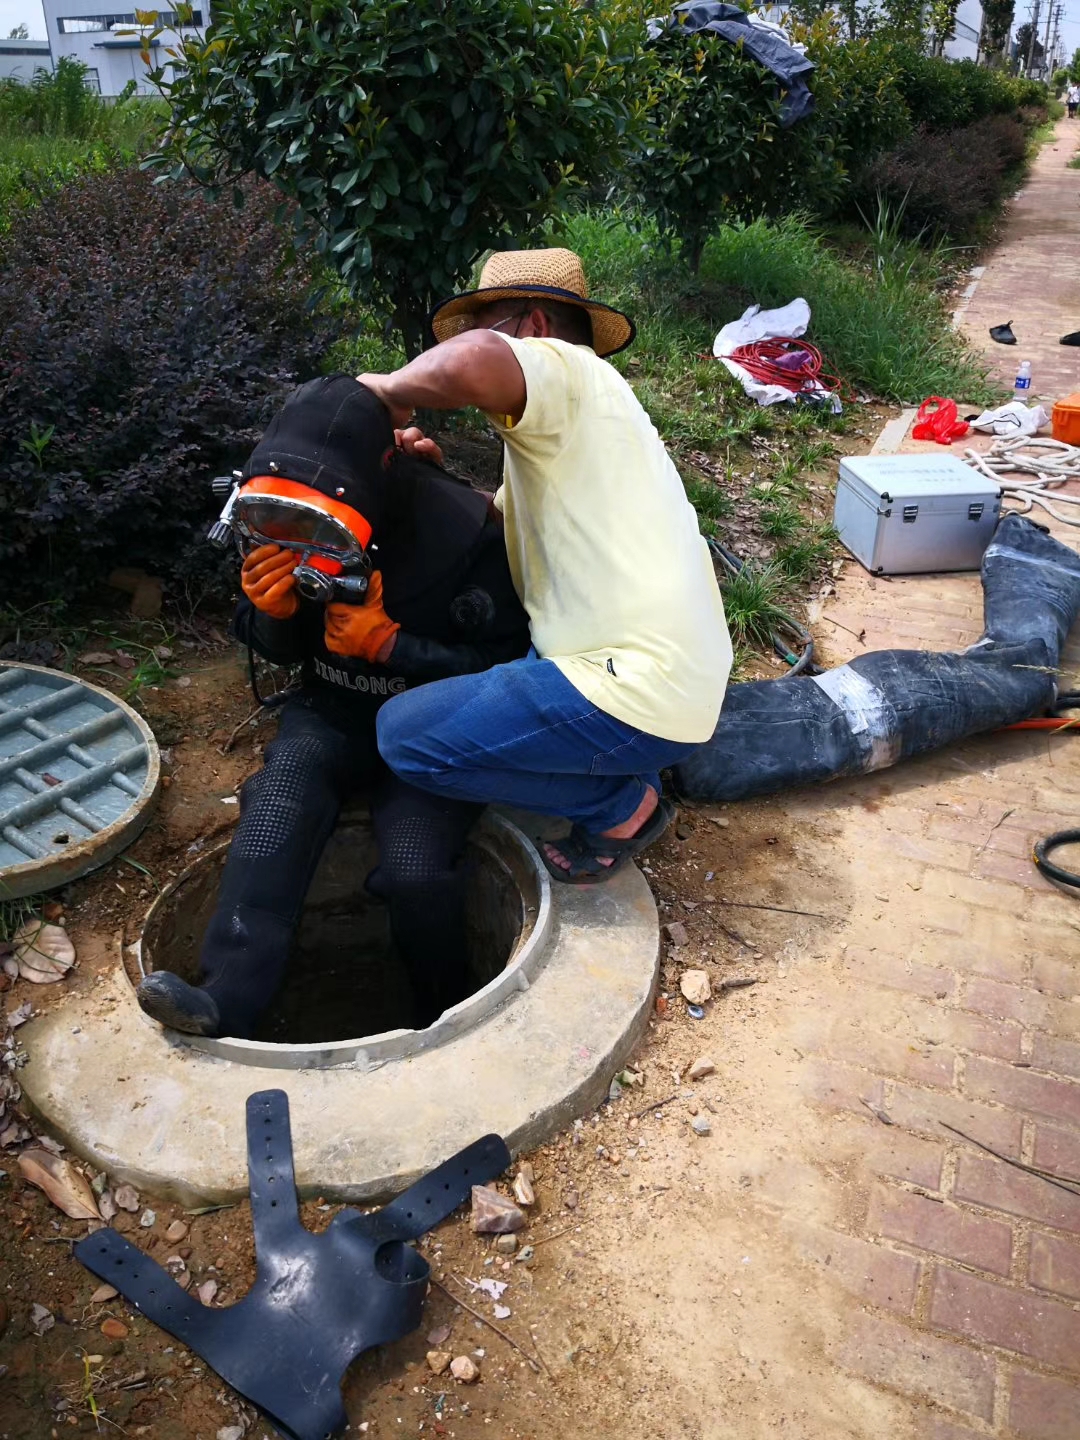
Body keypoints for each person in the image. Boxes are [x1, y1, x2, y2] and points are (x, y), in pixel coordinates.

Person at [136, 375, 530, 1038]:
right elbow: (280, 651)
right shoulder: (289, 515)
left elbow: (513, 671)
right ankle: (227, 993)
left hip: (435, 723)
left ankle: (444, 1011)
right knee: (278, 806)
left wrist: (394, 646)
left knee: (415, 872)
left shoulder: (465, 534)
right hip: (333, 709)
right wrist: (273, 615)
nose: (301, 540)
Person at [362, 248, 733, 884]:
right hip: (672, 682)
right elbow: (498, 519)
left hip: (637, 687)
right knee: (509, 688)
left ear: (533, 328)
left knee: (403, 736)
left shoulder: (567, 369)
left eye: (491, 326)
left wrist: (385, 393)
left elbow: (474, 361)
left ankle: (622, 807)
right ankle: (623, 772)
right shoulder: (583, 425)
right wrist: (426, 478)